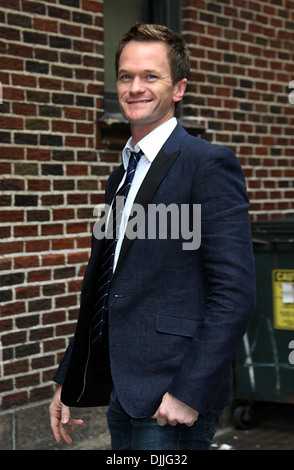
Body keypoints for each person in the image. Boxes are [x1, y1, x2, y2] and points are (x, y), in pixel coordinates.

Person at [49, 23, 256, 450]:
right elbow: (103, 287)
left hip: (173, 398)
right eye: (126, 76)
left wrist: (188, 391)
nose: (134, 87)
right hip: (122, 393)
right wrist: (69, 379)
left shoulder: (209, 165)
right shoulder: (119, 175)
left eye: (150, 76)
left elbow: (234, 293)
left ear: (178, 88)